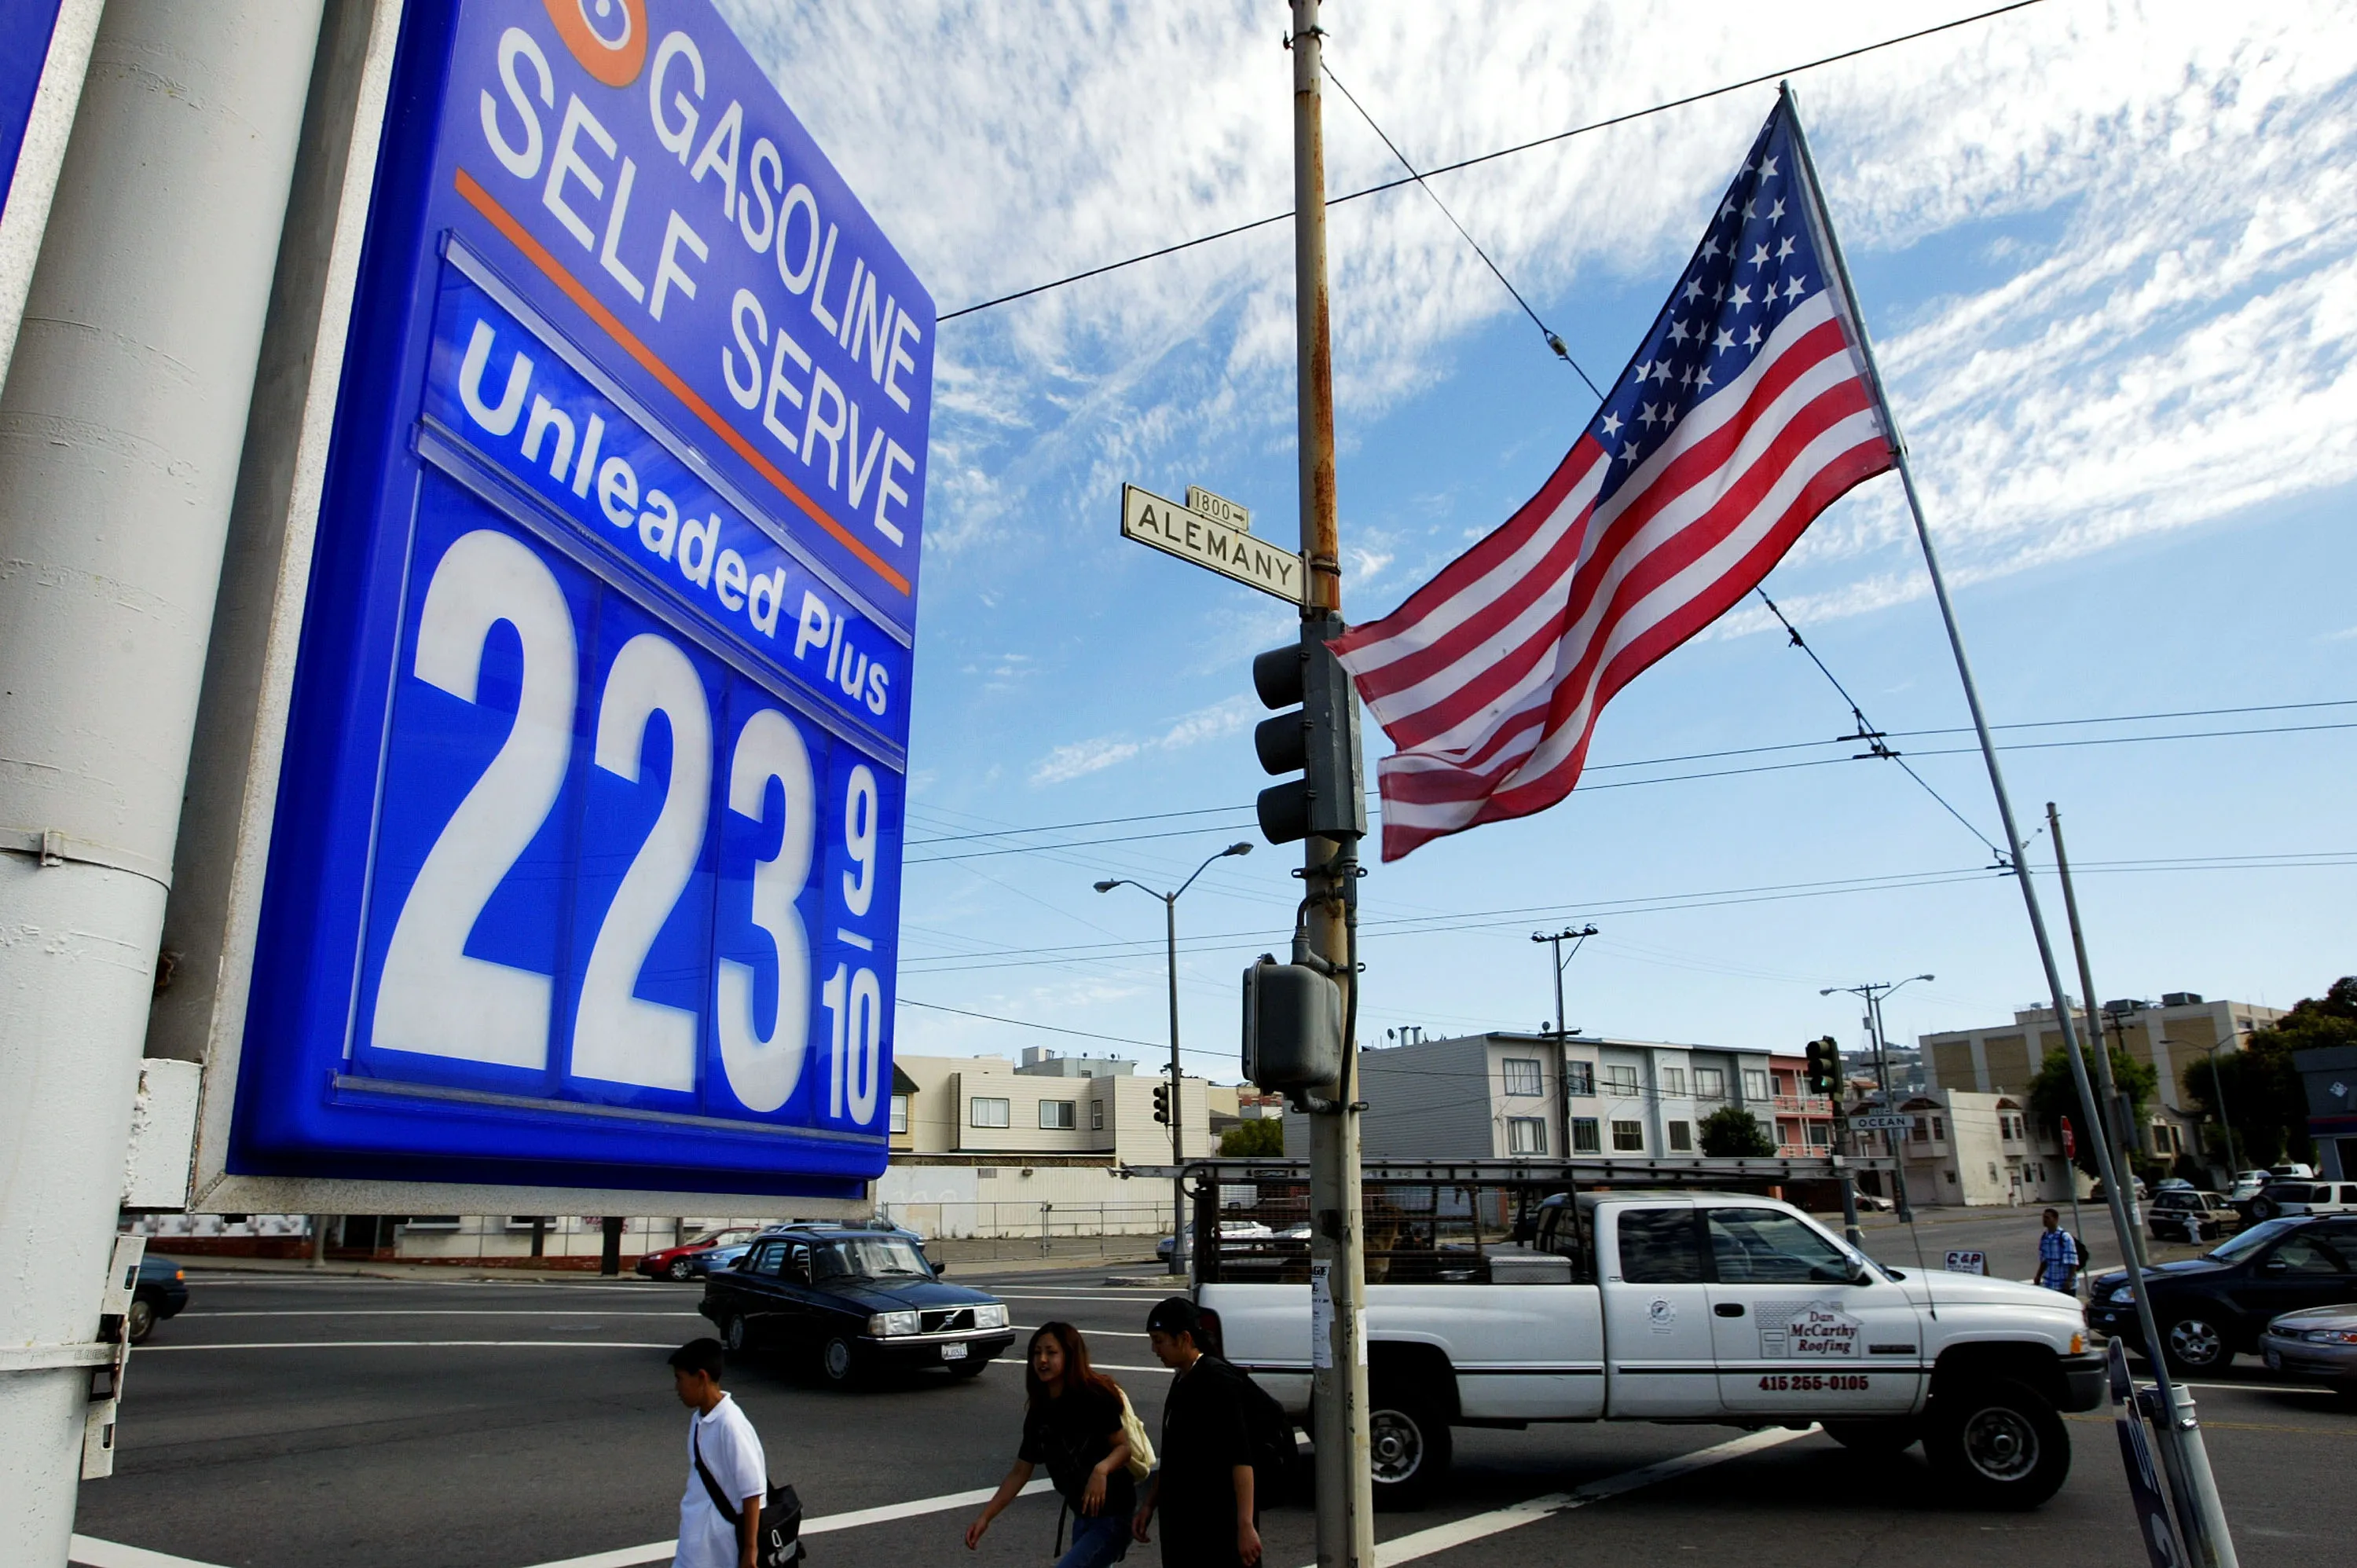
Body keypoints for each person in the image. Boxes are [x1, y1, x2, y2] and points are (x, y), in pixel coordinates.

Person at [966, 1322, 1135, 1568]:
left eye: (1051, 1352)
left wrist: (1102, 1470)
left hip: (1113, 1516)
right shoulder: (1040, 1410)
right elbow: (1020, 1472)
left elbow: (1124, 1448)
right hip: (1083, 1514)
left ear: (1070, 1355)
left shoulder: (1094, 1397)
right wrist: (985, 1517)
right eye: (1036, 1353)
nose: (1042, 1360)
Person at [1133, 1298, 1259, 1568]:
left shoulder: (1216, 1381)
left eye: (1159, 1340)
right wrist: (1149, 1504)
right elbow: (1173, 1456)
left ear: (1185, 1338)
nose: (1154, 1349)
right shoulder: (1182, 1379)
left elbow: (1241, 1458)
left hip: (1216, 1522)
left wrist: (1246, 1525)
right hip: (1183, 1523)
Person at [669, 1339, 765, 1568]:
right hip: (695, 1543)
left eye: (680, 1379)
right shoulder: (700, 1419)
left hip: (720, 1550)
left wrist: (751, 1550)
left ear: (701, 1377)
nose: (677, 1388)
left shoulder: (730, 1424)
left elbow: (753, 1491)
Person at [2033, 1208, 2080, 1294]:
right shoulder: (2045, 1237)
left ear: (2056, 1219)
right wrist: (2038, 1276)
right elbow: (2044, 1260)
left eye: (2047, 1218)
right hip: (2050, 1284)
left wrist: (2069, 1280)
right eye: (2043, 1217)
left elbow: (2073, 1262)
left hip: (2064, 1285)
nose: (2044, 1220)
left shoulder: (2065, 1237)